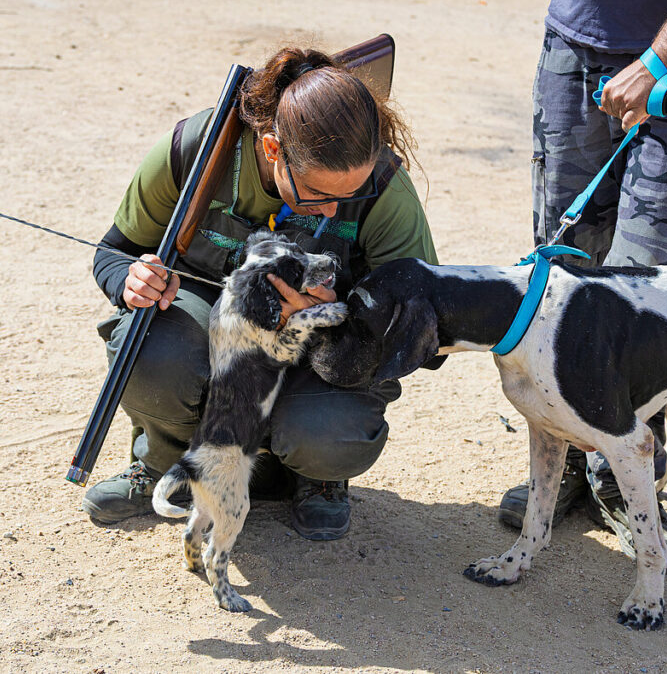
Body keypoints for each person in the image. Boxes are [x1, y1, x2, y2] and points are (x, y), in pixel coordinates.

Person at [84, 47, 437, 540]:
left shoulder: (385, 185)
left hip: (317, 362)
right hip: (212, 333)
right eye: (318, 194)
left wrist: (340, 319)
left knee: (327, 431)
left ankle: (315, 477)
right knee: (148, 347)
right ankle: (165, 463)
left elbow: (422, 325)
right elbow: (113, 252)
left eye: (348, 196)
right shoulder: (193, 148)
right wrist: (130, 280)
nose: (334, 211)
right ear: (273, 150)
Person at [498, 0, 667, 569]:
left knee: (650, 296)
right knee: (561, 279)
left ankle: (623, 481)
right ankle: (564, 463)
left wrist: (657, 61)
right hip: (576, 44)